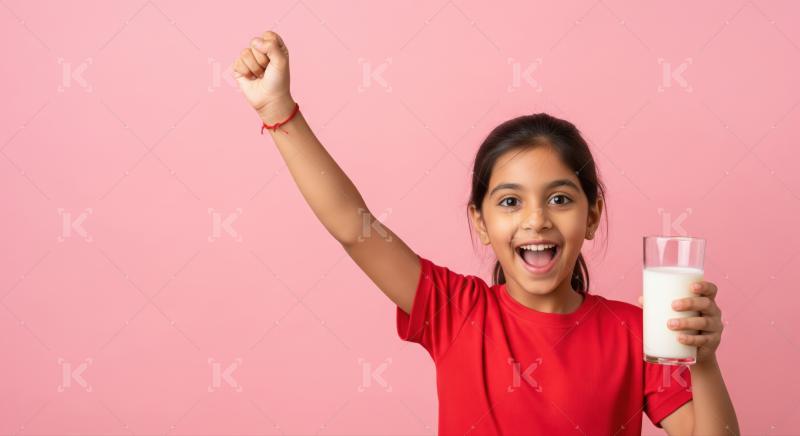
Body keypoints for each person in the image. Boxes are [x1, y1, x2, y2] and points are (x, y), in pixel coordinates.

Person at [232, 30, 740, 435]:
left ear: (592, 216)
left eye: (560, 198)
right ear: (480, 220)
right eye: (510, 201)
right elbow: (353, 226)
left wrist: (704, 360)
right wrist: (278, 112)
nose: (536, 219)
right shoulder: (454, 311)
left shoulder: (638, 332)